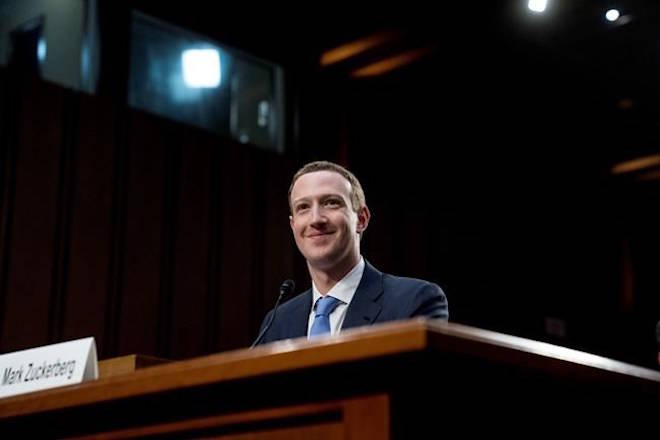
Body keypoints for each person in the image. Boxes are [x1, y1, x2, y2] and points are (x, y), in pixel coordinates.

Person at [255, 160, 448, 344]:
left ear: (361, 219)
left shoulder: (413, 302)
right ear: (293, 225)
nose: (316, 219)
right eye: (303, 207)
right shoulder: (276, 324)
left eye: (331, 203)